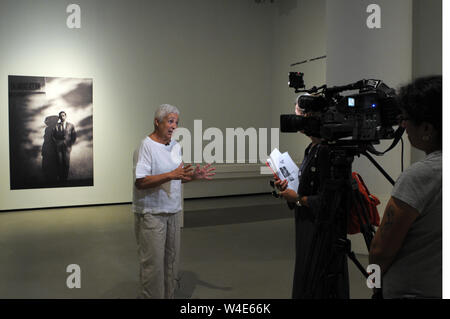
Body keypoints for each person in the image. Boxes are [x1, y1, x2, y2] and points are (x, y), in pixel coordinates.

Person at [369, 75, 442, 299]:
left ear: (427, 128)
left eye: (407, 118)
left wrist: (375, 284)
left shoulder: (421, 175)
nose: (403, 125)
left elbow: (381, 251)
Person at [132, 104, 216, 299]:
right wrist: (171, 174)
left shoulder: (175, 146)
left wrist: (195, 176)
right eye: (170, 121)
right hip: (152, 214)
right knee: (153, 266)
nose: (173, 126)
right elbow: (141, 181)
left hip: (173, 212)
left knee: (171, 262)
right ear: (157, 122)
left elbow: (179, 176)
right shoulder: (146, 146)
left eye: (176, 122)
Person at [274, 95, 349, 299]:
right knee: (307, 275)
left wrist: (297, 199)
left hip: (320, 231)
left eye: (299, 115)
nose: (296, 121)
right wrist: (290, 190)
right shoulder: (313, 149)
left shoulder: (325, 151)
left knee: (318, 280)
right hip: (307, 225)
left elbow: (328, 201)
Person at [52, 111, 77, 182]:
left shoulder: (71, 125)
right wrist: (56, 143)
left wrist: (70, 144)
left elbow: (74, 135)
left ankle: (65, 179)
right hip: (58, 147)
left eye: (63, 115)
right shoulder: (56, 126)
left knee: (66, 163)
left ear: (65, 116)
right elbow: (52, 136)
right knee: (59, 162)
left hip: (67, 147)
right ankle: (60, 179)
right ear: (59, 117)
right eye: (60, 116)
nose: (62, 117)